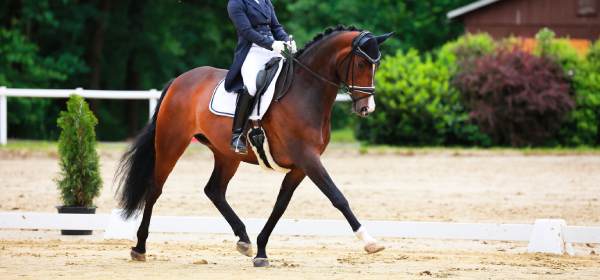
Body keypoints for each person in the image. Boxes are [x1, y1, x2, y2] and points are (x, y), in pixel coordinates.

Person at [225, 0, 297, 155]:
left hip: (274, 48)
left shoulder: (265, 1)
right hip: (252, 50)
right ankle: (237, 135)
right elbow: (246, 31)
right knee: (251, 86)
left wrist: (286, 40)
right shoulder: (236, 3)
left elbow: (276, 27)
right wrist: (271, 43)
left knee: (292, 76)